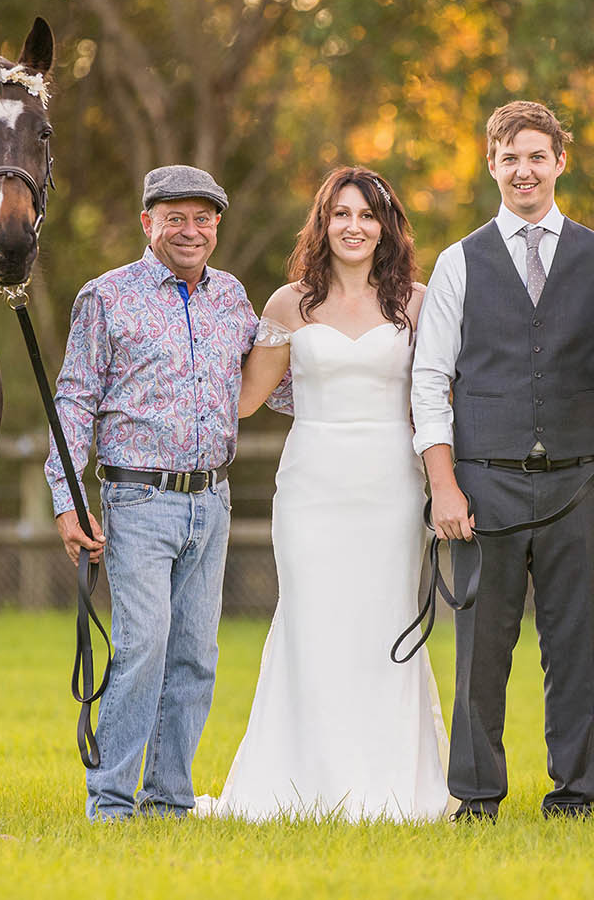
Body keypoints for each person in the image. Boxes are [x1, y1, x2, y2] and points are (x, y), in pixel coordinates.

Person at [411, 101, 594, 821]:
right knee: (480, 654)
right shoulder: (458, 263)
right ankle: (476, 797)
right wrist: (443, 486)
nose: (524, 170)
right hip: (482, 485)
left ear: (560, 162)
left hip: (576, 485)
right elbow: (430, 379)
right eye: (511, 158)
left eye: (538, 156)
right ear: (492, 164)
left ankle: (573, 796)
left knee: (571, 648)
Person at [197, 167, 451, 821]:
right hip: (311, 489)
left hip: (393, 486)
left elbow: (441, 396)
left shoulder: (418, 303)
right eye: (341, 214)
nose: (354, 226)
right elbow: (247, 399)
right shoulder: (289, 304)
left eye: (367, 215)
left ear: (386, 225)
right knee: (311, 625)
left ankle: (393, 782)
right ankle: (300, 782)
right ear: (322, 224)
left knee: (386, 623)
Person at [46, 164, 290, 822]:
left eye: (202, 218)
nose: (190, 230)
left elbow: (267, 386)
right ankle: (112, 803)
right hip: (137, 502)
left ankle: (169, 801)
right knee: (143, 645)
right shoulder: (107, 297)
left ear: (217, 226)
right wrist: (67, 500)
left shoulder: (232, 298)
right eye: (174, 217)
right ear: (147, 223)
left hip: (212, 502)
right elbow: (72, 402)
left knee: (194, 657)